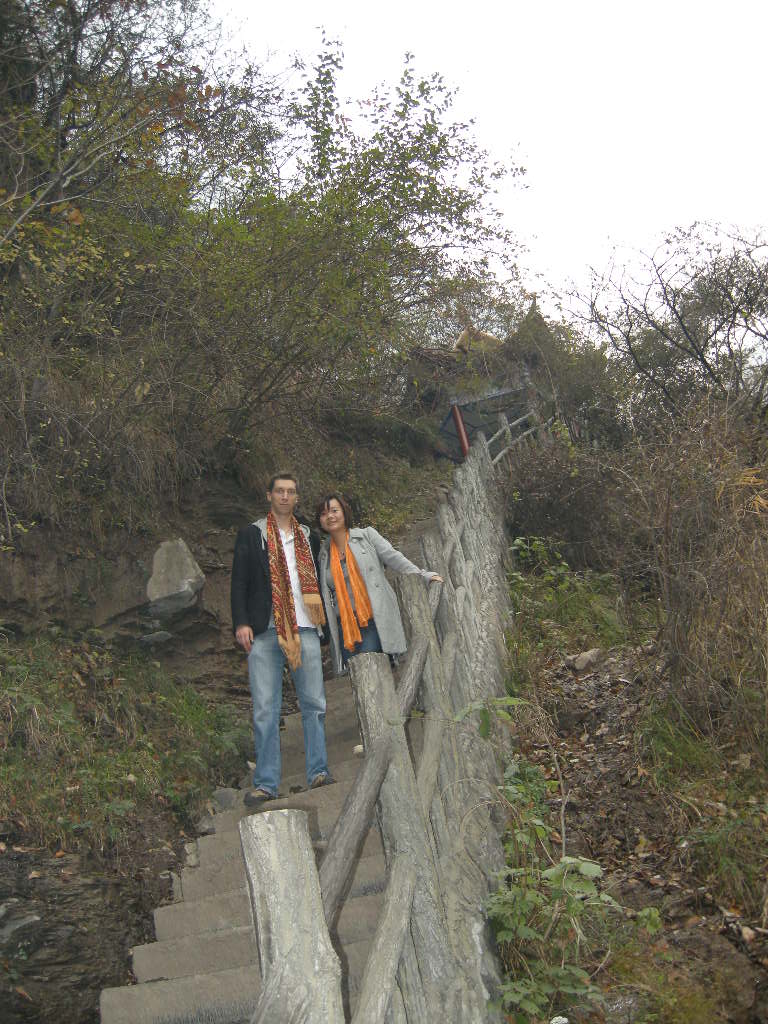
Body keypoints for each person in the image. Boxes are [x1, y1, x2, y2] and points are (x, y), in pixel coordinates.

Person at [231, 473, 333, 809]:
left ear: (297, 498)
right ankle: (266, 783)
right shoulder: (252, 534)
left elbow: (320, 580)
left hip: (305, 627)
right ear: (269, 495)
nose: (286, 496)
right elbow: (240, 581)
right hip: (264, 630)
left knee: (314, 704)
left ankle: (318, 771)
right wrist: (242, 622)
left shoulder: (308, 537)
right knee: (265, 710)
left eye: (291, 491)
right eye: (280, 491)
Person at [316, 492, 443, 675]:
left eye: (334, 510)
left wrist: (423, 575)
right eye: (323, 513)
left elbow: (394, 558)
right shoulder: (324, 554)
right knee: (360, 680)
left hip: (372, 619)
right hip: (346, 626)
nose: (330, 516)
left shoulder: (366, 536)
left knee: (370, 668)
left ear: (344, 512)